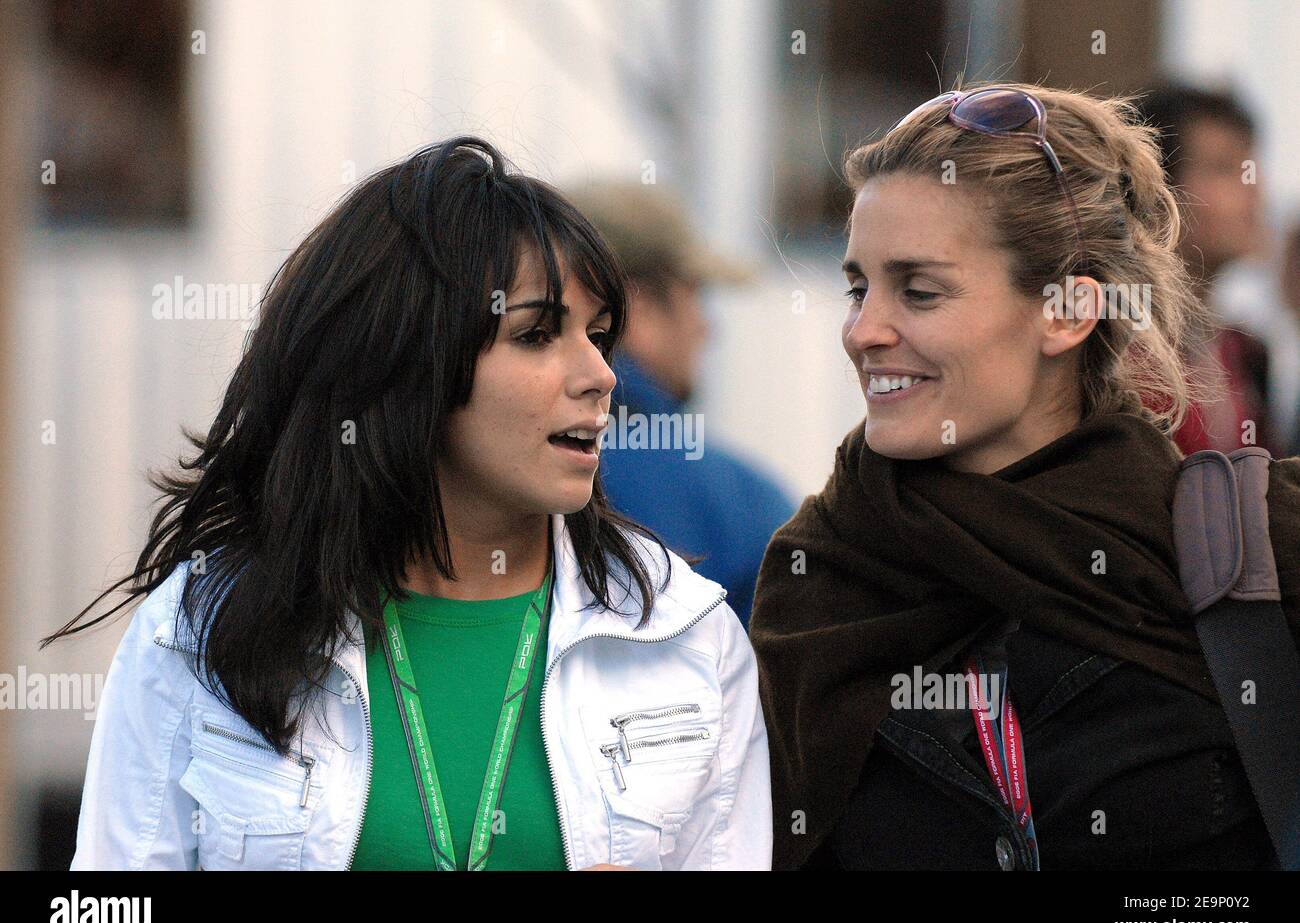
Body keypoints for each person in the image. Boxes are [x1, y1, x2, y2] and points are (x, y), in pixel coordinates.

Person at [54, 137, 771, 871]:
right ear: (407, 362)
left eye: (597, 336)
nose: (599, 375)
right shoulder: (197, 635)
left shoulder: (689, 638)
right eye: (536, 334)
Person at [749, 84, 1300, 870]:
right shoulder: (817, 582)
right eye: (857, 286)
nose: (863, 331)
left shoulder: (1255, 551)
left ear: (1068, 311)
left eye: (920, 289)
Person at [566, 182, 796, 629]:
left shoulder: (480, 472)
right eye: (694, 294)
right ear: (636, 304)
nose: (706, 328)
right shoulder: (744, 502)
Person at [1138, 85, 1275, 455]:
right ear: (1159, 194)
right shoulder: (1116, 354)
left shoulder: (1245, 353)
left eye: (1250, 166)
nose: (1254, 189)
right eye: (1224, 168)